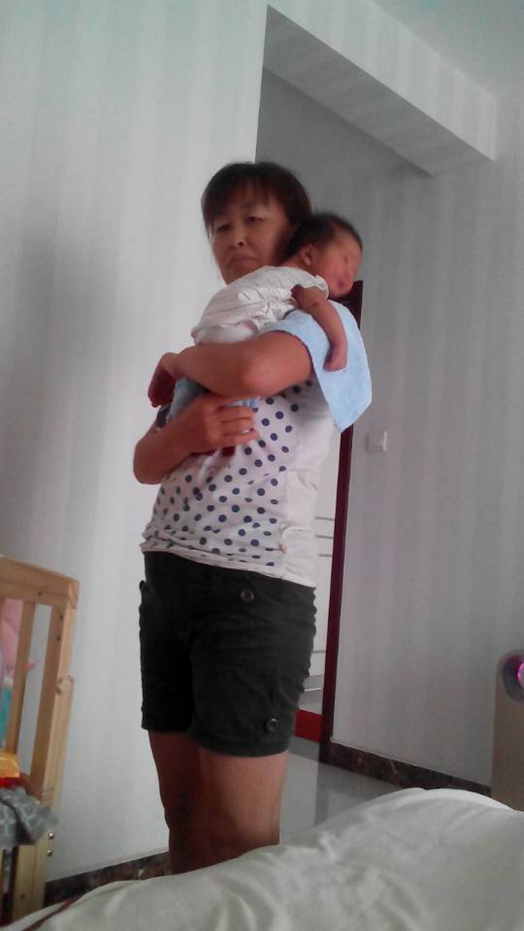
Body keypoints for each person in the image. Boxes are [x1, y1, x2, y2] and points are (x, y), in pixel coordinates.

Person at [133, 161, 371, 875]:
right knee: (181, 813)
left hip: (255, 589)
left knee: (238, 837)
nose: (233, 237)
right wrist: (185, 432)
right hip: (168, 582)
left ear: (296, 235)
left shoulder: (320, 318)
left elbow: (255, 374)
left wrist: (182, 359)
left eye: (252, 219)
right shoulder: (221, 332)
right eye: (219, 226)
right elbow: (146, 461)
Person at [155, 212, 364, 423]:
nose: (350, 275)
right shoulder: (307, 280)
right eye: (345, 261)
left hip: (209, 329)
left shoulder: (265, 274)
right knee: (233, 403)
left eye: (354, 270)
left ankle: (174, 416)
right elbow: (317, 305)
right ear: (308, 254)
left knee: (192, 391)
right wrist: (340, 343)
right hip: (240, 334)